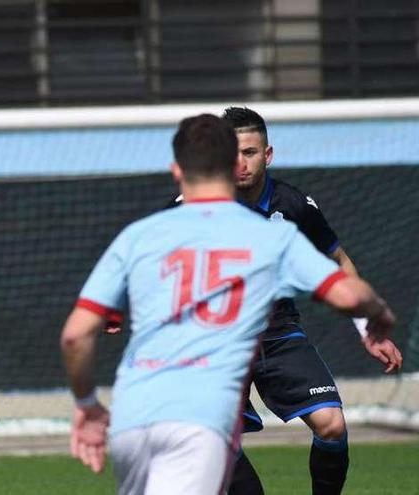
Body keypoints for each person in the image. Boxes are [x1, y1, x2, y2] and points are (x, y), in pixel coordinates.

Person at [60, 114, 396, 495]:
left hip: (138, 409)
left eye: (250, 152)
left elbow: (76, 335)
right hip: (204, 395)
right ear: (225, 165)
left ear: (177, 170)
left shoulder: (139, 235)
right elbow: (351, 294)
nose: (243, 162)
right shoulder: (265, 238)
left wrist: (86, 403)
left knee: (323, 429)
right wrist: (378, 318)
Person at [196, 107, 402, 495]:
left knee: (332, 425)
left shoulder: (292, 206)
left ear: (268, 155)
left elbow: (339, 262)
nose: (240, 163)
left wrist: (366, 328)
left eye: (250, 153)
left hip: (278, 334)